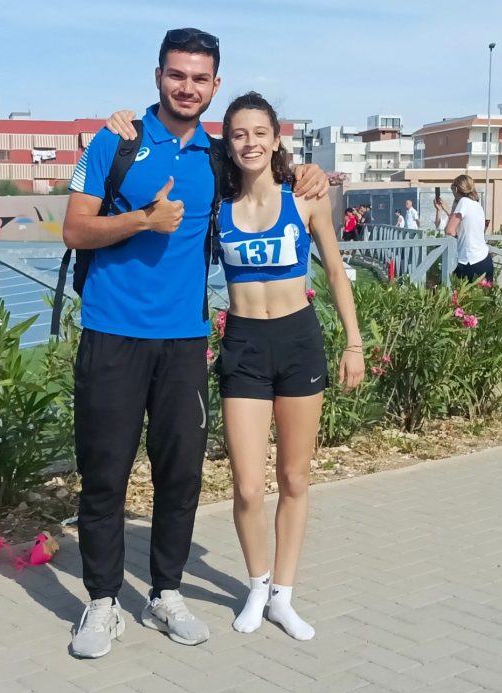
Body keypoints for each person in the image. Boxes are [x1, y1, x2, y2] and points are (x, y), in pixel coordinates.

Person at [64, 27, 328, 660]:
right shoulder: (114, 141)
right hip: (111, 333)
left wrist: (309, 171)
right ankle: (101, 602)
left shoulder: (216, 158)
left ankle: (165, 594)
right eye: (177, 75)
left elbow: (268, 171)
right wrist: (142, 220)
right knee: (104, 475)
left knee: (180, 477)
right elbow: (75, 229)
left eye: (200, 78)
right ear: (158, 76)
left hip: (184, 341)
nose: (187, 87)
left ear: (215, 84)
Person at [215, 92, 364, 640]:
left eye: (260, 132)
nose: (250, 143)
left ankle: (284, 595)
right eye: (239, 134)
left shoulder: (304, 198)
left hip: (298, 341)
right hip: (245, 346)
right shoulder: (217, 205)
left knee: (295, 477)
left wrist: (354, 343)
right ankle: (257, 585)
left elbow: (336, 272)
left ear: (276, 138)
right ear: (228, 144)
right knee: (248, 487)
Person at [444, 174, 493, 283]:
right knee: (485, 293)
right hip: (485, 259)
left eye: (452, 188)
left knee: (451, 289)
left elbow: (449, 231)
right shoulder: (477, 205)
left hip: (470, 261)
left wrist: (453, 208)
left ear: (456, 189)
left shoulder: (463, 202)